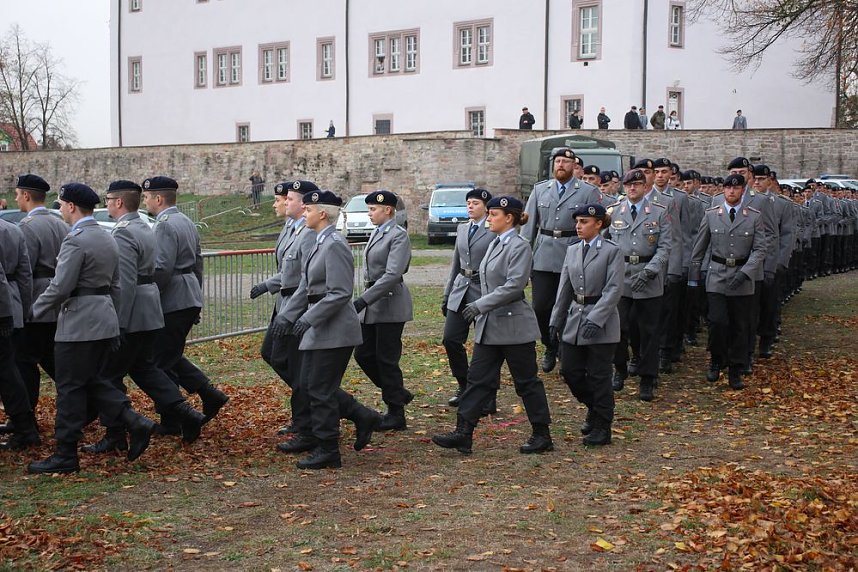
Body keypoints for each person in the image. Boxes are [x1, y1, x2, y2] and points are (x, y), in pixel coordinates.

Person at [27, 183, 155, 474]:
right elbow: (117, 285)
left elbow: (60, 286)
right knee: (93, 380)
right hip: (103, 318)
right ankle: (134, 421)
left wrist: (33, 311)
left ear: (72, 206)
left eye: (62, 204)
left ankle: (65, 453)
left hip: (79, 321)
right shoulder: (107, 236)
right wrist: (114, 319)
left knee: (70, 387)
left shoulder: (76, 240)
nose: (60, 209)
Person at [81, 180, 207, 454]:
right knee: (145, 368)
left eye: (108, 199)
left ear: (118, 202)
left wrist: (119, 322)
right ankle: (186, 413)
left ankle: (116, 433)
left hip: (134, 312)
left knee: (107, 374)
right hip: (149, 309)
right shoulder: (144, 226)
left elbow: (126, 282)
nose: (106, 204)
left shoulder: (124, 232)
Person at [432, 196, 553, 455]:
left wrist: (480, 305)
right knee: (477, 380)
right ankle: (463, 433)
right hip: (490, 326)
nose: (489, 218)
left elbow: (514, 285)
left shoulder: (519, 246)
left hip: (514, 327)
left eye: (493, 214)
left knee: (526, 382)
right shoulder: (496, 243)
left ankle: (542, 433)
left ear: (509, 218)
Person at [277, 189, 382, 469]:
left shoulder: (334, 244)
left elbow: (339, 293)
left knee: (320, 388)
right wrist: (287, 317)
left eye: (309, 210)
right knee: (309, 385)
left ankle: (328, 449)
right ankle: (361, 417)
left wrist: (308, 318)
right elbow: (306, 286)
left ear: (322, 213)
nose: (304, 213)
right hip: (320, 326)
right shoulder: (318, 241)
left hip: (335, 329)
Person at [142, 176, 229, 434]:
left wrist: (150, 296)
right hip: (187, 294)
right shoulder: (186, 221)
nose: (145, 201)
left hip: (173, 298)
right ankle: (207, 393)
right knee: (169, 354)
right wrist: (196, 297)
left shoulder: (165, 225)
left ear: (158, 198)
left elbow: (162, 268)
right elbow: (198, 263)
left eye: (146, 197)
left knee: (159, 361)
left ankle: (175, 419)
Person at [521, 147, 602, 373]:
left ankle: (568, 351)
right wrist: (523, 259)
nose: (560, 165)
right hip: (544, 256)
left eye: (565, 162)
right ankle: (550, 345)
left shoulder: (587, 191)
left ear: (574, 166)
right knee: (540, 307)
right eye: (557, 161)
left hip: (573, 253)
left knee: (569, 306)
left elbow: (596, 227)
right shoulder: (540, 190)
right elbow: (528, 229)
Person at [550, 203, 623, 446]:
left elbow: (613, 290)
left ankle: (603, 425)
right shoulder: (573, 250)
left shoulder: (611, 251)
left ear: (598, 224)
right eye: (577, 222)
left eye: (584, 222)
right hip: (575, 319)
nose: (578, 226)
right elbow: (564, 287)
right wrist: (555, 320)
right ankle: (594, 406)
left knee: (599, 376)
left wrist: (596, 319)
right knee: (570, 372)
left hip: (601, 321)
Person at [252, 180, 318, 436]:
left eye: (290, 199)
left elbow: (305, 277)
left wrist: (269, 285)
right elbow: (287, 269)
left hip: (297, 306)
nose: (282, 203)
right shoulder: (291, 228)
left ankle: (319, 408)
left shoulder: (308, 233)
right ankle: (318, 402)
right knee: (274, 355)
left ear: (303, 204)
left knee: (295, 366)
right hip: (284, 302)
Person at [689, 174, 766, 390]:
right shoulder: (712, 215)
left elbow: (760, 249)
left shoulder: (753, 217)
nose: (732, 191)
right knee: (717, 322)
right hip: (717, 276)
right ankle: (716, 359)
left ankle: (735, 369)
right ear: (723, 190)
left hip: (742, 277)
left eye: (736, 188)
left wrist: (747, 272)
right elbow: (699, 248)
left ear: (742, 190)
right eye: (728, 188)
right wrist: (695, 277)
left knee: (740, 326)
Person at [606, 169, 672, 402]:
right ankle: (620, 367)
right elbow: (605, 242)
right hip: (621, 277)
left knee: (649, 332)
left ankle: (647, 377)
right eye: (628, 185)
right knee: (618, 327)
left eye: (637, 184)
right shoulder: (614, 211)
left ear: (645, 187)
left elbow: (665, 247)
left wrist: (650, 271)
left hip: (649, 278)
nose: (632, 188)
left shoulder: (659, 211)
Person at [8, 174, 68, 424]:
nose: (15, 199)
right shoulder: (61, 224)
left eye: (17, 194)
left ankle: (26, 417)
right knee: (51, 358)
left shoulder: (27, 227)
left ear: (26, 195)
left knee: (25, 360)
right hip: (58, 299)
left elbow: (25, 269)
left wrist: (23, 309)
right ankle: (84, 404)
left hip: (36, 299)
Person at [353, 191, 414, 430]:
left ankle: (396, 413)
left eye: (373, 209)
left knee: (386, 359)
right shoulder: (378, 232)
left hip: (389, 303)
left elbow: (392, 275)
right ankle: (397, 392)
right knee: (363, 354)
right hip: (373, 303)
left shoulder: (398, 235)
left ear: (387, 210)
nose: (369, 214)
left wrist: (364, 300)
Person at [442, 188, 496, 411]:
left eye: (475, 203)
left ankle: (488, 396)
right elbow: (456, 263)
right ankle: (465, 385)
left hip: (484, 291)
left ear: (486, 207)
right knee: (451, 339)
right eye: (468, 203)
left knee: (487, 346)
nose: (470, 207)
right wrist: (447, 294)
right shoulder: (463, 228)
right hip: (460, 289)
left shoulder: (493, 228)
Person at [0, 253, 39, 452]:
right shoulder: (16, 235)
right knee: (9, 371)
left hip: (5, 308)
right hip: (12, 303)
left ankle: (25, 427)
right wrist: (22, 309)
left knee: (8, 372)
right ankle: (25, 425)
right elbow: (25, 274)